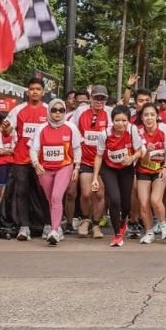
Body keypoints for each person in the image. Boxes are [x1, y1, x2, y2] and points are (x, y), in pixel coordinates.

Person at [5, 77, 51, 241]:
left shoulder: (49, 110)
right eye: (32, 89)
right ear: (27, 92)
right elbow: (7, 131)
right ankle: (24, 228)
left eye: (38, 89)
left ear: (43, 92)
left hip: (42, 160)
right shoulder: (18, 110)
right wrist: (5, 128)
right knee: (22, 192)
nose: (35, 92)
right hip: (21, 159)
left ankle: (48, 226)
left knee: (45, 193)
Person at [30, 98, 81, 245]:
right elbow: (34, 149)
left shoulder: (71, 127)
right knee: (51, 200)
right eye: (54, 110)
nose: (58, 113)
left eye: (61, 110)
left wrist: (77, 167)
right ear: (49, 111)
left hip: (64, 166)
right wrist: (36, 164)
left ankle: (54, 230)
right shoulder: (41, 128)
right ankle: (57, 228)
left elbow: (77, 148)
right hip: (45, 169)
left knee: (56, 197)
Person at [93, 105, 143, 247]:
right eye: (117, 120)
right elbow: (98, 156)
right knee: (115, 199)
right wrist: (95, 177)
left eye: (124, 120)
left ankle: (123, 222)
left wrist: (132, 158)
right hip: (109, 169)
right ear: (112, 121)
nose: (120, 124)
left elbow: (139, 151)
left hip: (126, 169)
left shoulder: (132, 130)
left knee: (126, 204)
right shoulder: (105, 134)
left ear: (128, 121)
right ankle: (117, 235)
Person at [134, 102, 166, 244]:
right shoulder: (138, 132)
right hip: (143, 170)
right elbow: (142, 158)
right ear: (142, 117)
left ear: (157, 116)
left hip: (159, 170)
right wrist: (147, 152)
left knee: (155, 200)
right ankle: (149, 232)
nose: (149, 118)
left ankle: (163, 225)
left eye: (152, 115)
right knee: (144, 203)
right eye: (146, 115)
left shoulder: (165, 130)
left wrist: (165, 168)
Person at [75, 86, 112, 239]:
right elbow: (74, 132)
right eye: (96, 97)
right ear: (91, 98)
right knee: (86, 193)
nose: (99, 101)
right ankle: (86, 220)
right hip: (85, 159)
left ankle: (96, 224)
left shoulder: (109, 113)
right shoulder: (81, 112)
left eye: (102, 98)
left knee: (99, 194)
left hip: (103, 161)